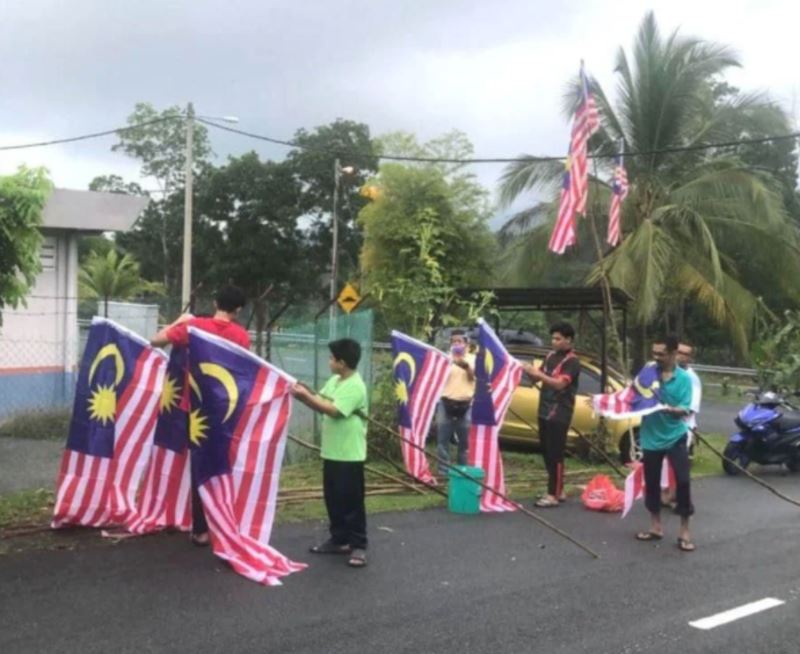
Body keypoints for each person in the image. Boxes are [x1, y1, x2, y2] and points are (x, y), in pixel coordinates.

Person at [150, 284, 250, 546]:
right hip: (223, 410)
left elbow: (155, 340)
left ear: (216, 301)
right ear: (238, 310)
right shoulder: (241, 336)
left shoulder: (193, 328)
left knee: (196, 464)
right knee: (219, 463)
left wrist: (180, 321)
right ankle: (221, 520)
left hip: (191, 408)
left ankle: (200, 528)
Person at [291, 338, 369, 568]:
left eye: (332, 358)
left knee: (351, 502)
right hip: (332, 452)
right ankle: (339, 540)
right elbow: (321, 398)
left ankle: (359, 545)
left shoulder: (355, 385)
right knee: (333, 498)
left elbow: (333, 410)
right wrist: (304, 390)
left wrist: (304, 397)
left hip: (349, 454)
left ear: (342, 363)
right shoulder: (336, 380)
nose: (329, 362)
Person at [635, 335, 696, 552]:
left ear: (672, 353)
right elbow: (633, 395)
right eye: (655, 353)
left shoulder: (684, 379)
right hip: (651, 436)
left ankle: (685, 530)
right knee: (651, 482)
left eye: (661, 353)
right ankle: (655, 527)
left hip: (675, 435)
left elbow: (685, 408)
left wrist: (670, 409)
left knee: (683, 481)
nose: (656, 357)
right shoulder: (648, 372)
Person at [522, 322, 580, 508]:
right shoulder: (550, 356)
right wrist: (529, 371)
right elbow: (536, 379)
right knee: (546, 452)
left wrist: (539, 376)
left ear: (568, 340)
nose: (553, 342)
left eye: (558, 339)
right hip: (544, 409)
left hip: (560, 412)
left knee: (555, 453)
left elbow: (559, 384)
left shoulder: (572, 361)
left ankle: (553, 494)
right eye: (553, 338)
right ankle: (557, 489)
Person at [662, 341, 703, 507]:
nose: (681, 356)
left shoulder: (691, 378)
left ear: (689, 358)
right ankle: (666, 495)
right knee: (666, 463)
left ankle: (678, 498)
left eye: (685, 354)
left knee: (679, 464)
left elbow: (691, 407)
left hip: (683, 426)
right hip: (666, 427)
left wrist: (671, 410)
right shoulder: (670, 374)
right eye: (679, 352)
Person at [436, 330, 475, 478]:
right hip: (445, 402)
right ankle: (443, 472)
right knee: (442, 440)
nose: (456, 344)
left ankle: (462, 471)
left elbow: (473, 377)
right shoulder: (445, 358)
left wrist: (465, 366)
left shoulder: (473, 359)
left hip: (466, 404)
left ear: (467, 344)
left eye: (460, 341)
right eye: (453, 341)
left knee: (464, 443)